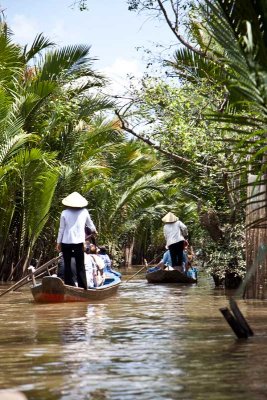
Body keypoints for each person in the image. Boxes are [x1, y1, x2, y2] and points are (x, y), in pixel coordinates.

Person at [56, 191, 98, 289]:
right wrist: (94, 231)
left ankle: (69, 285)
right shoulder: (84, 212)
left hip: (66, 242)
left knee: (67, 265)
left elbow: (61, 229)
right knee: (80, 265)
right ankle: (83, 287)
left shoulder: (64, 213)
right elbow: (90, 224)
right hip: (78, 243)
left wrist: (58, 242)